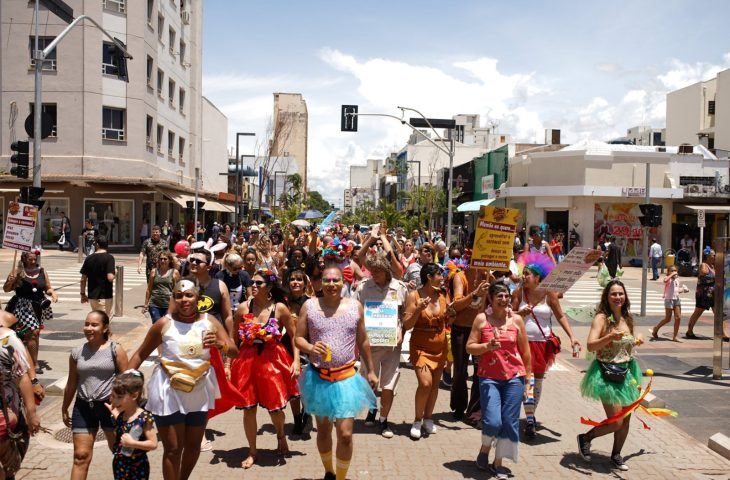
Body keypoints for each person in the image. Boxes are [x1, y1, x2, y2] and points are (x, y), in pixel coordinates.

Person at [127, 279, 239, 480]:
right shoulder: (164, 324)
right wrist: (124, 384)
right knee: (173, 449)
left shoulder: (210, 322)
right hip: (168, 391)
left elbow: (234, 351)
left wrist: (219, 344)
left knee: (193, 446)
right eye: (179, 296)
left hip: (199, 391)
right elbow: (140, 354)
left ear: (198, 298)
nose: (184, 299)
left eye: (189, 295)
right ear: (174, 299)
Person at [295, 265, 378, 480]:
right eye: (327, 280)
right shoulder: (309, 306)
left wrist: (371, 370)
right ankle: (329, 472)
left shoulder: (355, 306)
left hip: (347, 379)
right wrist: (310, 348)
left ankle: (341, 477)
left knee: (345, 434)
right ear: (319, 282)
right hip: (318, 380)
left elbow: (363, 340)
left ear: (344, 282)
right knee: (323, 431)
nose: (331, 284)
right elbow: (298, 338)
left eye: (336, 280)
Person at [229, 269, 300, 469]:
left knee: (275, 409)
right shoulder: (243, 308)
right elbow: (233, 339)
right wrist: (228, 365)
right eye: (252, 282)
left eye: (258, 283)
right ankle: (252, 451)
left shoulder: (280, 308)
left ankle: (280, 435)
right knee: (248, 409)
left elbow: (294, 336)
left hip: (272, 361)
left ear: (268, 287)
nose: (253, 285)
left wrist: (296, 361)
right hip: (247, 362)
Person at [512, 252, 581, 438]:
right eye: (523, 274)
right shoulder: (518, 293)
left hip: (543, 344)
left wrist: (572, 337)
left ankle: (531, 415)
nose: (524, 277)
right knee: (528, 380)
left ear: (537, 278)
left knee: (538, 382)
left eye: (527, 274)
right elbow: (509, 315)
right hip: (523, 343)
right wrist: (520, 314)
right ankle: (530, 419)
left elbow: (560, 316)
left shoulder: (549, 294)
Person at [577, 280, 644, 472]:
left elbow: (626, 346)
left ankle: (616, 455)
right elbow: (591, 346)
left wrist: (636, 341)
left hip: (627, 373)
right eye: (613, 294)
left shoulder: (627, 318)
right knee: (616, 421)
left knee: (626, 420)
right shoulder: (601, 319)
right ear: (606, 297)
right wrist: (608, 337)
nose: (618, 297)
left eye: (621, 293)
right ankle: (585, 438)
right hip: (606, 373)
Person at [467, 283, 532, 480]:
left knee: (510, 422)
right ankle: (485, 449)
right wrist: (487, 346)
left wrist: (527, 380)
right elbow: (470, 347)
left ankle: (498, 462)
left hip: (514, 377)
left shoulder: (517, 320)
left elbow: (525, 352)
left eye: (507, 296)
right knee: (493, 421)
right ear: (491, 299)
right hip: (489, 378)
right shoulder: (481, 319)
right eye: (500, 296)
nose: (504, 300)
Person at [62, 310, 128, 480]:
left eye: (94, 325)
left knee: (121, 453)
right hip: (83, 407)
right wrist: (64, 407)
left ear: (105, 328)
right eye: (86, 324)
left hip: (110, 407)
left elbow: (127, 381)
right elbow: (71, 383)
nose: (89, 328)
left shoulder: (116, 349)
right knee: (80, 456)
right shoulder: (77, 352)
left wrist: (126, 410)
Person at [352, 251, 408, 438]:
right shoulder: (363, 288)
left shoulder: (399, 288)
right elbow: (354, 313)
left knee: (389, 384)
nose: (373, 274)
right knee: (370, 381)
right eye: (371, 270)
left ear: (386, 270)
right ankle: (372, 409)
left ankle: (384, 420)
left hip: (392, 346)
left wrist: (402, 330)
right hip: (370, 345)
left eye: (377, 270)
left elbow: (405, 314)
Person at [403, 263, 452, 439]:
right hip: (420, 347)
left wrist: (452, 314)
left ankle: (428, 418)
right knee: (425, 384)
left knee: (434, 386)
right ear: (429, 277)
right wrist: (418, 309)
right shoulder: (414, 296)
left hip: (439, 346)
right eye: (439, 274)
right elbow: (407, 324)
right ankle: (417, 420)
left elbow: (448, 318)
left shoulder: (442, 295)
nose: (442, 278)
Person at [3, 250, 58, 373]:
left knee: (33, 334)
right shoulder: (17, 271)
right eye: (30, 259)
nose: (33, 261)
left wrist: (53, 293)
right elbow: (6, 289)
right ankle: (34, 363)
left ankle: (29, 358)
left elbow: (48, 288)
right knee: (33, 332)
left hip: (37, 306)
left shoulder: (42, 271)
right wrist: (11, 281)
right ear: (24, 259)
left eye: (34, 259)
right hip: (22, 306)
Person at [0, 318, 42, 479]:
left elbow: (22, 376)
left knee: (8, 465)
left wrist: (31, 413)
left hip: (5, 411)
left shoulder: (7, 339)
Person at [107, 371, 158, 480]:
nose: (114, 400)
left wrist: (133, 443)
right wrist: (114, 413)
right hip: (120, 464)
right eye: (113, 396)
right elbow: (126, 426)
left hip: (137, 466)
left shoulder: (144, 417)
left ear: (134, 395)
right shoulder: (121, 416)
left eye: (119, 397)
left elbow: (153, 443)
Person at [284, 266, 311, 436]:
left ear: (305, 284)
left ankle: (307, 412)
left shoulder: (311, 303)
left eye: (299, 279)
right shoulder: (282, 303)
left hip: (306, 348)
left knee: (306, 386)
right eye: (292, 279)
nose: (295, 282)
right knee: (293, 386)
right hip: (286, 347)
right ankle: (297, 419)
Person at [80, 236, 116, 318]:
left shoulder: (89, 258)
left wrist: (83, 294)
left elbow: (83, 279)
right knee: (105, 320)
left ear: (97, 245)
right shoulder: (109, 258)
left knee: (97, 319)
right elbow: (110, 277)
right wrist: (116, 274)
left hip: (92, 296)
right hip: (105, 296)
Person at [651, 265, 689, 342]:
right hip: (669, 300)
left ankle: (675, 336)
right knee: (668, 319)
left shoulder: (677, 279)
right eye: (672, 270)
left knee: (678, 317)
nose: (674, 272)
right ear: (668, 272)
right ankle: (656, 329)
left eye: (675, 270)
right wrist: (671, 275)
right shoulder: (668, 279)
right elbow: (665, 280)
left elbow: (676, 290)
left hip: (676, 299)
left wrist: (683, 290)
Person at [685, 248, 716, 339]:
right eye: (713, 255)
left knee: (718, 313)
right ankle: (689, 331)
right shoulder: (704, 265)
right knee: (698, 312)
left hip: (712, 294)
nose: (715, 256)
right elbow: (704, 275)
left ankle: (722, 333)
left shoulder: (713, 266)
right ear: (707, 256)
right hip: (703, 294)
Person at [144, 251, 180, 324]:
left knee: (167, 324)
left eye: (165, 259)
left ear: (169, 260)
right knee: (157, 322)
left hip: (169, 305)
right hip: (155, 304)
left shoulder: (174, 272)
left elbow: (178, 290)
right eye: (161, 259)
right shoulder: (154, 272)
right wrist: (146, 304)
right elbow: (149, 289)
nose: (162, 261)